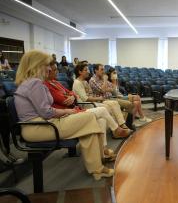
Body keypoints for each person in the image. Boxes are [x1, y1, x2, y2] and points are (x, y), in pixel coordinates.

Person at [14, 50, 114, 180]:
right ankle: (99, 163)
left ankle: (98, 167)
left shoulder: (30, 82)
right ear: (37, 65)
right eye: (46, 65)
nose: (49, 68)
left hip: (40, 125)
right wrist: (67, 112)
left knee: (88, 126)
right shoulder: (34, 83)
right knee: (89, 117)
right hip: (38, 127)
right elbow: (47, 112)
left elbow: (47, 111)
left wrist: (66, 112)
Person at [44, 62, 123, 161]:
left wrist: (72, 96)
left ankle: (103, 150)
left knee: (102, 119)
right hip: (71, 111)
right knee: (104, 108)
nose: (57, 72)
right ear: (79, 72)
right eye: (54, 70)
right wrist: (71, 96)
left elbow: (71, 93)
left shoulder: (55, 82)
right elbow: (63, 99)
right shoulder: (48, 85)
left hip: (73, 109)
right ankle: (117, 129)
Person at [72, 63, 131, 138]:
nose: (88, 72)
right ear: (80, 72)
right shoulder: (77, 83)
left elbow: (92, 93)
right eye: (86, 70)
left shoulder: (85, 82)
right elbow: (85, 98)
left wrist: (113, 82)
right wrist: (99, 98)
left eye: (88, 70)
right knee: (107, 107)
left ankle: (120, 127)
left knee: (113, 104)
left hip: (93, 101)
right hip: (86, 105)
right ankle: (117, 130)